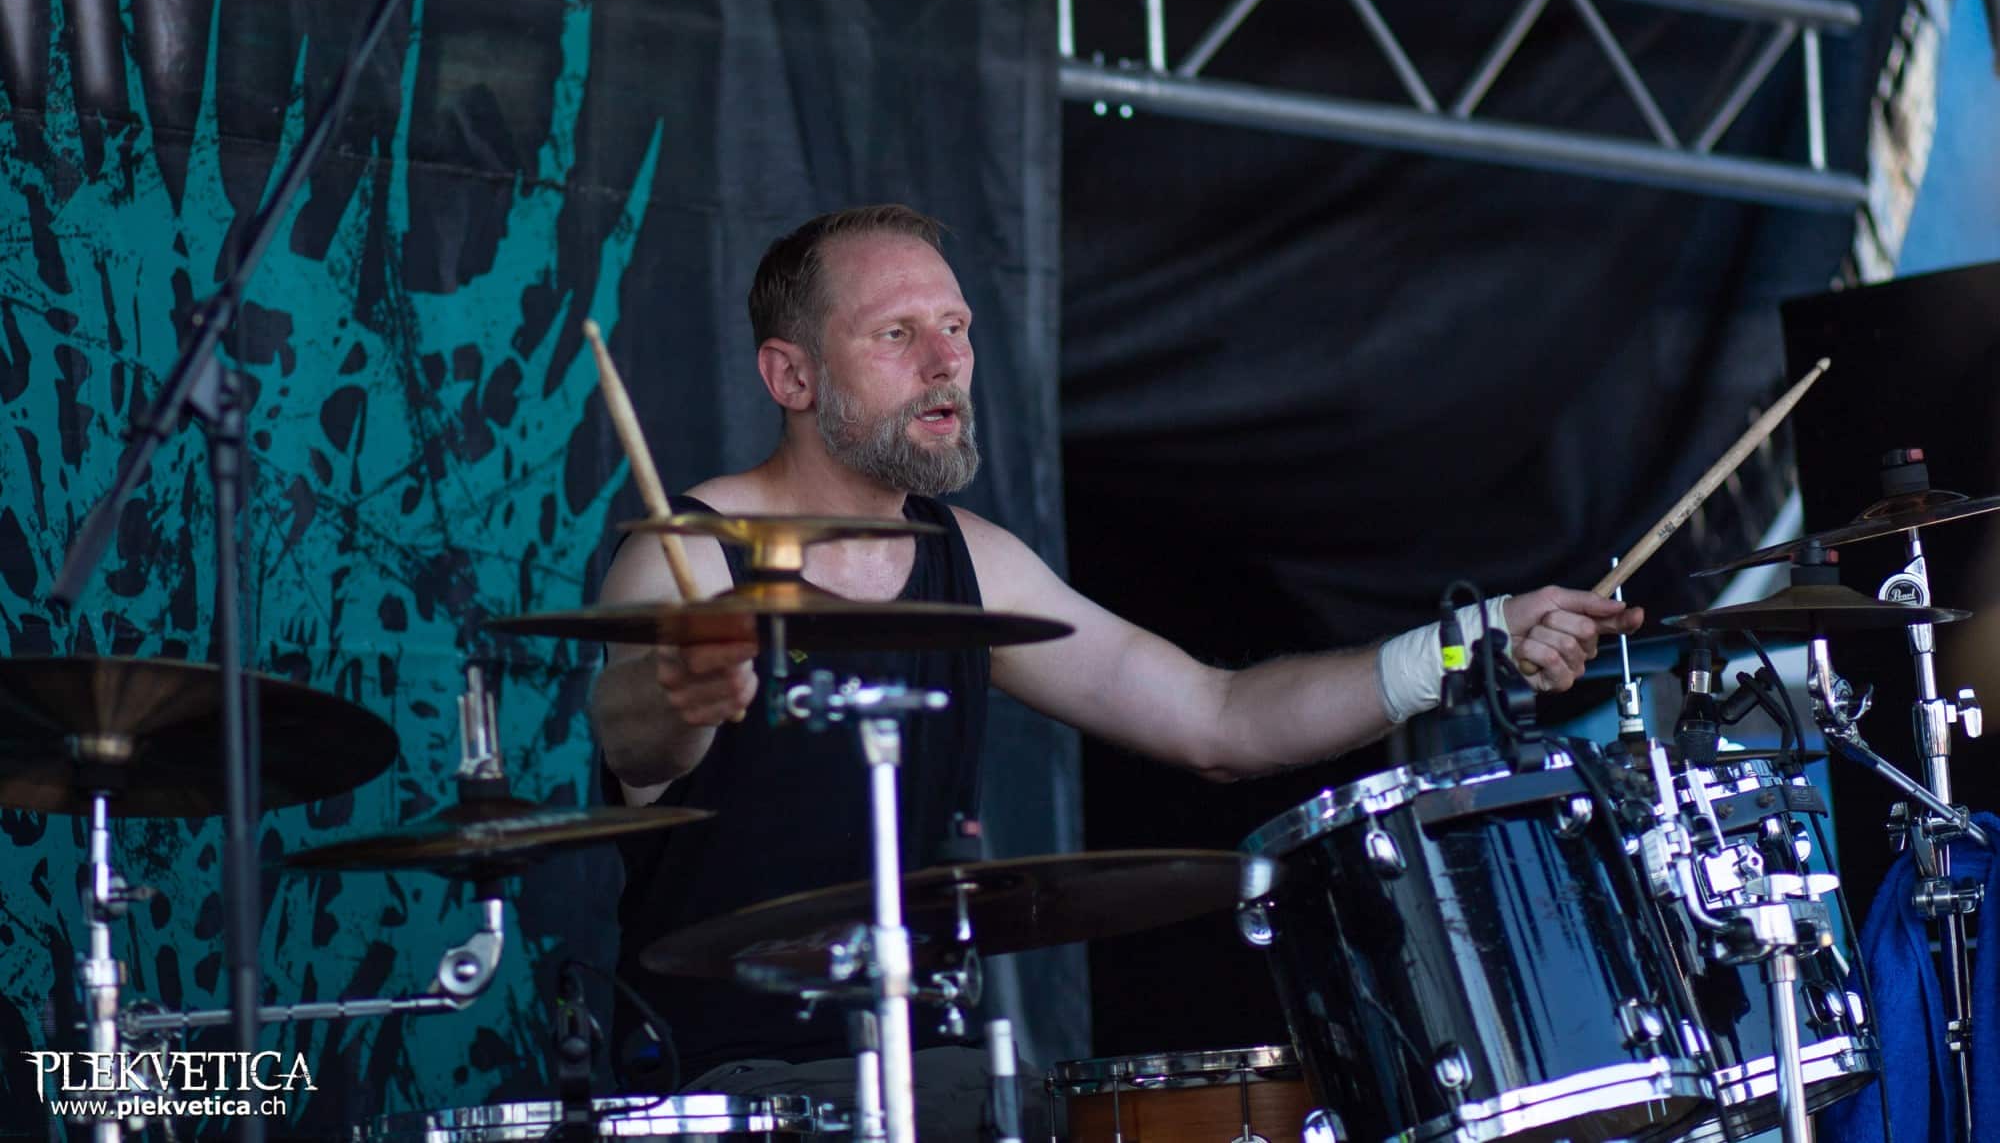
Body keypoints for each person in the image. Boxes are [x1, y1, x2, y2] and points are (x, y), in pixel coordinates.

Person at [590, 203, 1642, 1136]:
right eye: (896, 334)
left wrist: (1464, 643)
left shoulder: (974, 561)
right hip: (733, 1091)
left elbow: (1216, 716)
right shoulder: (690, 557)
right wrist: (685, 688)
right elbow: (634, 741)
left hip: (938, 1079)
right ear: (792, 376)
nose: (946, 360)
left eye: (956, 326)